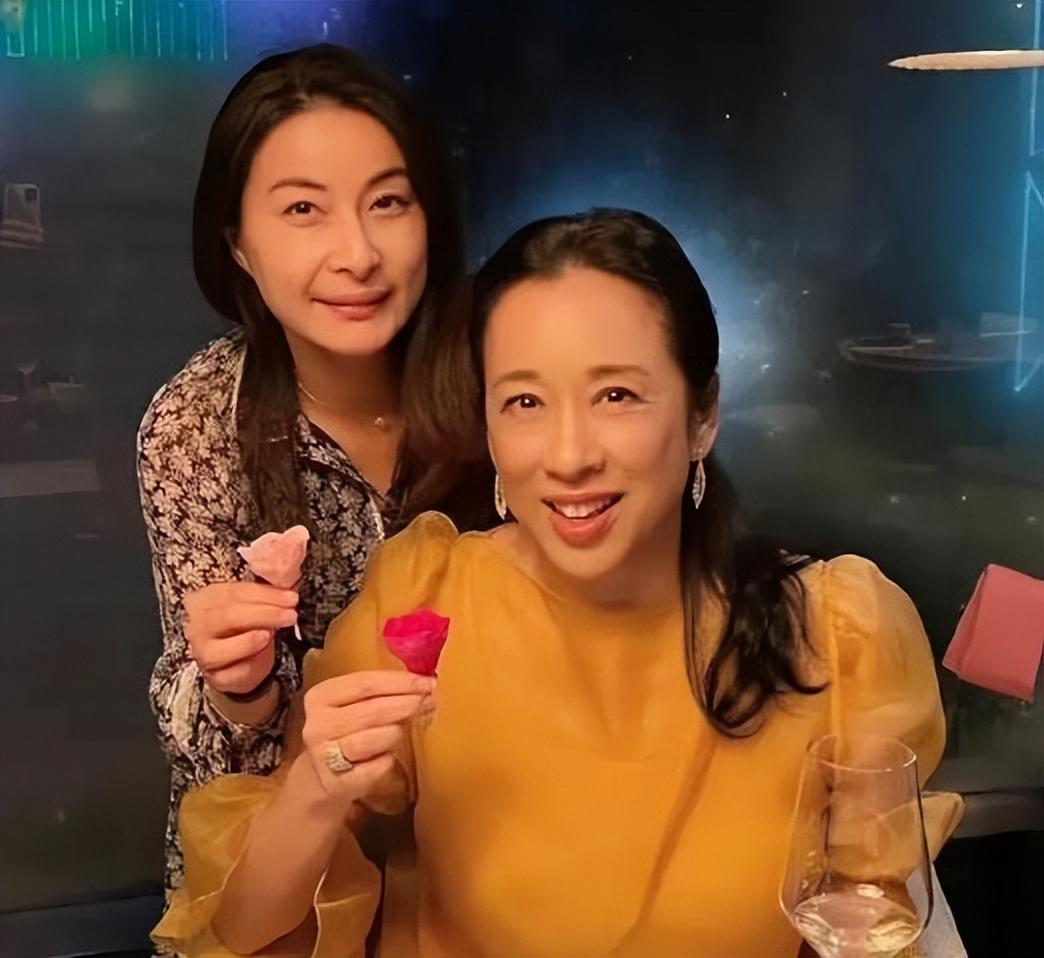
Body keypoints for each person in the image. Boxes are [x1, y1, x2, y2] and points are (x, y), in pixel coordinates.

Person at [152, 210, 948, 957]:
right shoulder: (424, 606)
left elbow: (871, 924)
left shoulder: (838, 637)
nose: (568, 456)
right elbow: (248, 929)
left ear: (702, 414)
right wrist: (314, 793)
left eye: (616, 395)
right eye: (525, 401)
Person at [137, 43, 487, 898]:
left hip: (489, 832)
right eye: (303, 209)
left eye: (388, 202)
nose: (357, 253)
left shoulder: (506, 374)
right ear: (238, 244)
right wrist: (240, 687)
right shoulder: (196, 425)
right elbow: (215, 769)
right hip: (291, 863)